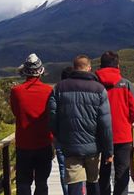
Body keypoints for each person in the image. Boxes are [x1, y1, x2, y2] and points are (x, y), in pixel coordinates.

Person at [48, 55, 113, 195]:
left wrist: (60, 137)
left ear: (74, 67)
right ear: (89, 68)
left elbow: (52, 117)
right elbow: (105, 124)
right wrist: (108, 151)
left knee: (74, 184)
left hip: (70, 146)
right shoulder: (99, 89)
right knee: (93, 182)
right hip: (93, 147)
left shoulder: (59, 88)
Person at [94, 51, 134, 195]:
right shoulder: (126, 85)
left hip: (99, 135)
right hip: (123, 135)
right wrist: (126, 122)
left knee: (102, 171)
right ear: (118, 65)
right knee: (122, 173)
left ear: (101, 66)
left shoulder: (94, 85)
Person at [11, 54, 54, 195]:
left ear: (25, 71)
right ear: (41, 71)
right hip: (44, 143)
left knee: (23, 183)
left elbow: (16, 112)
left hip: (24, 144)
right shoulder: (49, 91)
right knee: (42, 183)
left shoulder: (16, 91)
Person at [54, 66, 75, 195]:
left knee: (63, 168)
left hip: (61, 136)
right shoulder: (82, 90)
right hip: (80, 137)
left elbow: (52, 114)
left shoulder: (56, 91)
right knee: (79, 168)